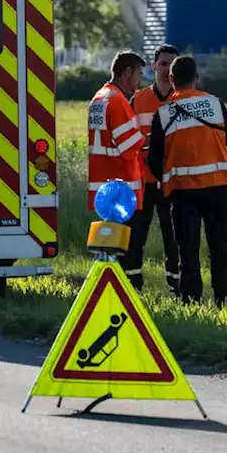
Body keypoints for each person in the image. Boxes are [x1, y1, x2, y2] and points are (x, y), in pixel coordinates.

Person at [147, 55, 227, 308]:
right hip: (218, 188)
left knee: (187, 254)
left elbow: (153, 159)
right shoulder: (215, 103)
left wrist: (167, 178)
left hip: (183, 192)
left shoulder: (164, 113)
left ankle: (191, 303)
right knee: (221, 253)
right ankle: (226, 303)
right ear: (197, 78)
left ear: (172, 79)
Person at [87, 50, 146, 283]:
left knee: (109, 248)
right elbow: (130, 146)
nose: (140, 81)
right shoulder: (118, 100)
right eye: (139, 74)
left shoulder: (99, 97)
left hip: (104, 188)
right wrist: (148, 139)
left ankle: (107, 286)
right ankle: (128, 292)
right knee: (127, 251)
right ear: (127, 72)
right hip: (123, 188)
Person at [128, 44, 180, 294]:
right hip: (144, 180)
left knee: (175, 237)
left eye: (172, 64)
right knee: (137, 234)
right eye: (163, 64)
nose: (167, 69)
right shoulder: (137, 100)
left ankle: (176, 285)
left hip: (173, 180)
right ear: (154, 66)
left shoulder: (184, 99)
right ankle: (133, 285)